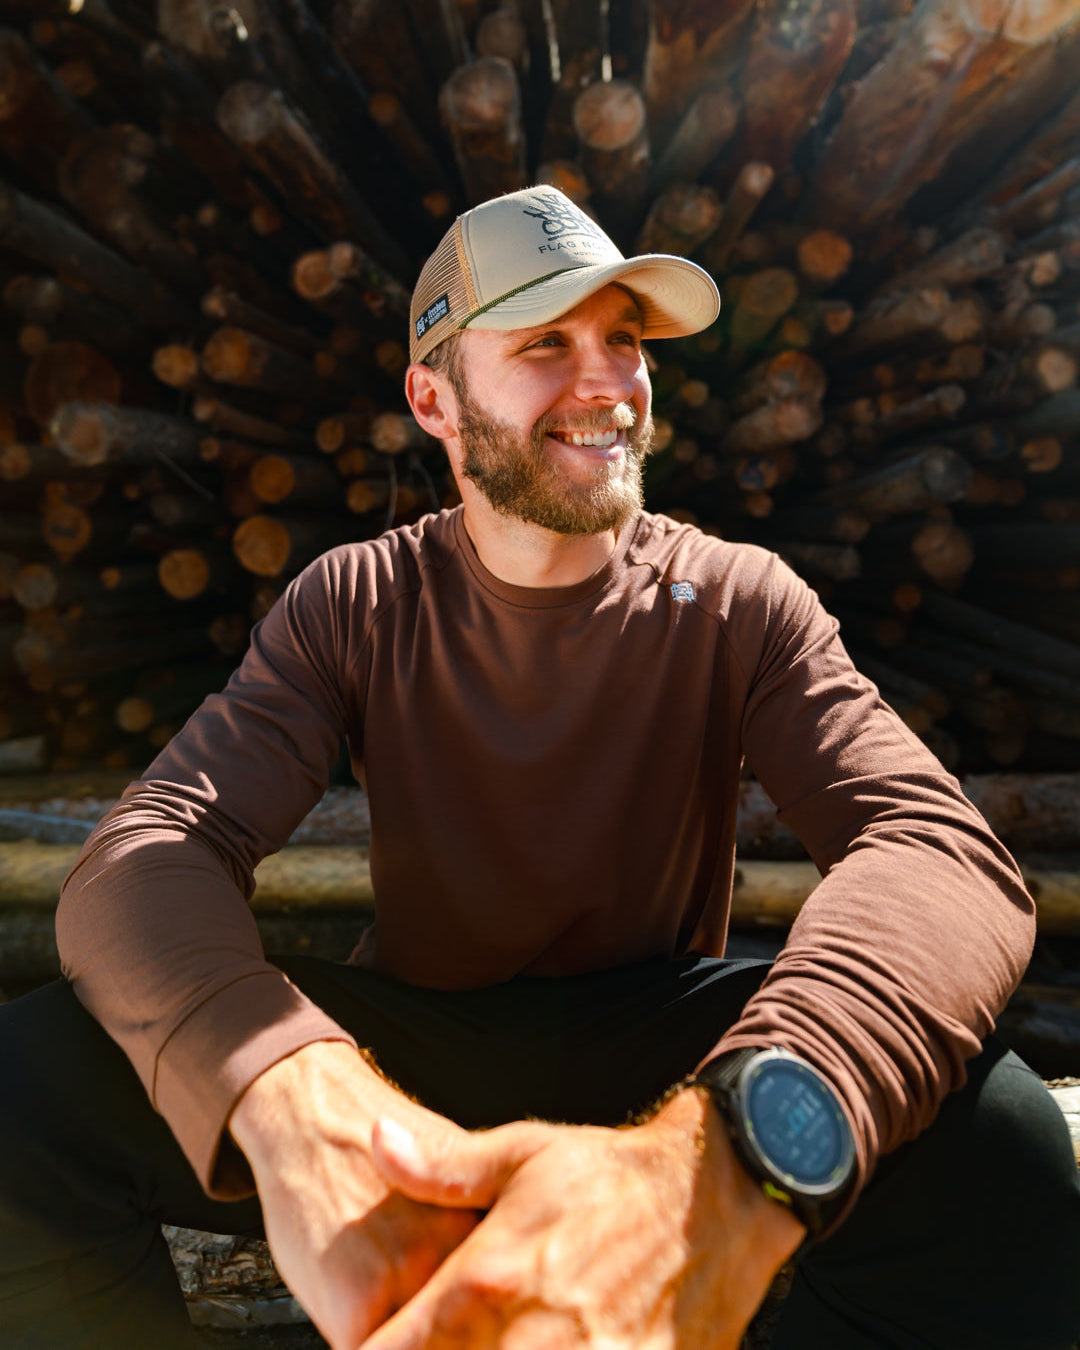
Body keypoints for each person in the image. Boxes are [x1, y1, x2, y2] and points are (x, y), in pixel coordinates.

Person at [1, 185, 1078, 1350]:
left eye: (624, 337)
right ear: (433, 398)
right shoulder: (356, 600)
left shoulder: (737, 599)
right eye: (547, 342)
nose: (607, 379)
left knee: (1006, 1140)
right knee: (25, 1090)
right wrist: (286, 1089)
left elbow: (934, 850)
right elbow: (150, 850)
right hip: (414, 1058)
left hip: (667, 1044)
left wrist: (731, 1156)